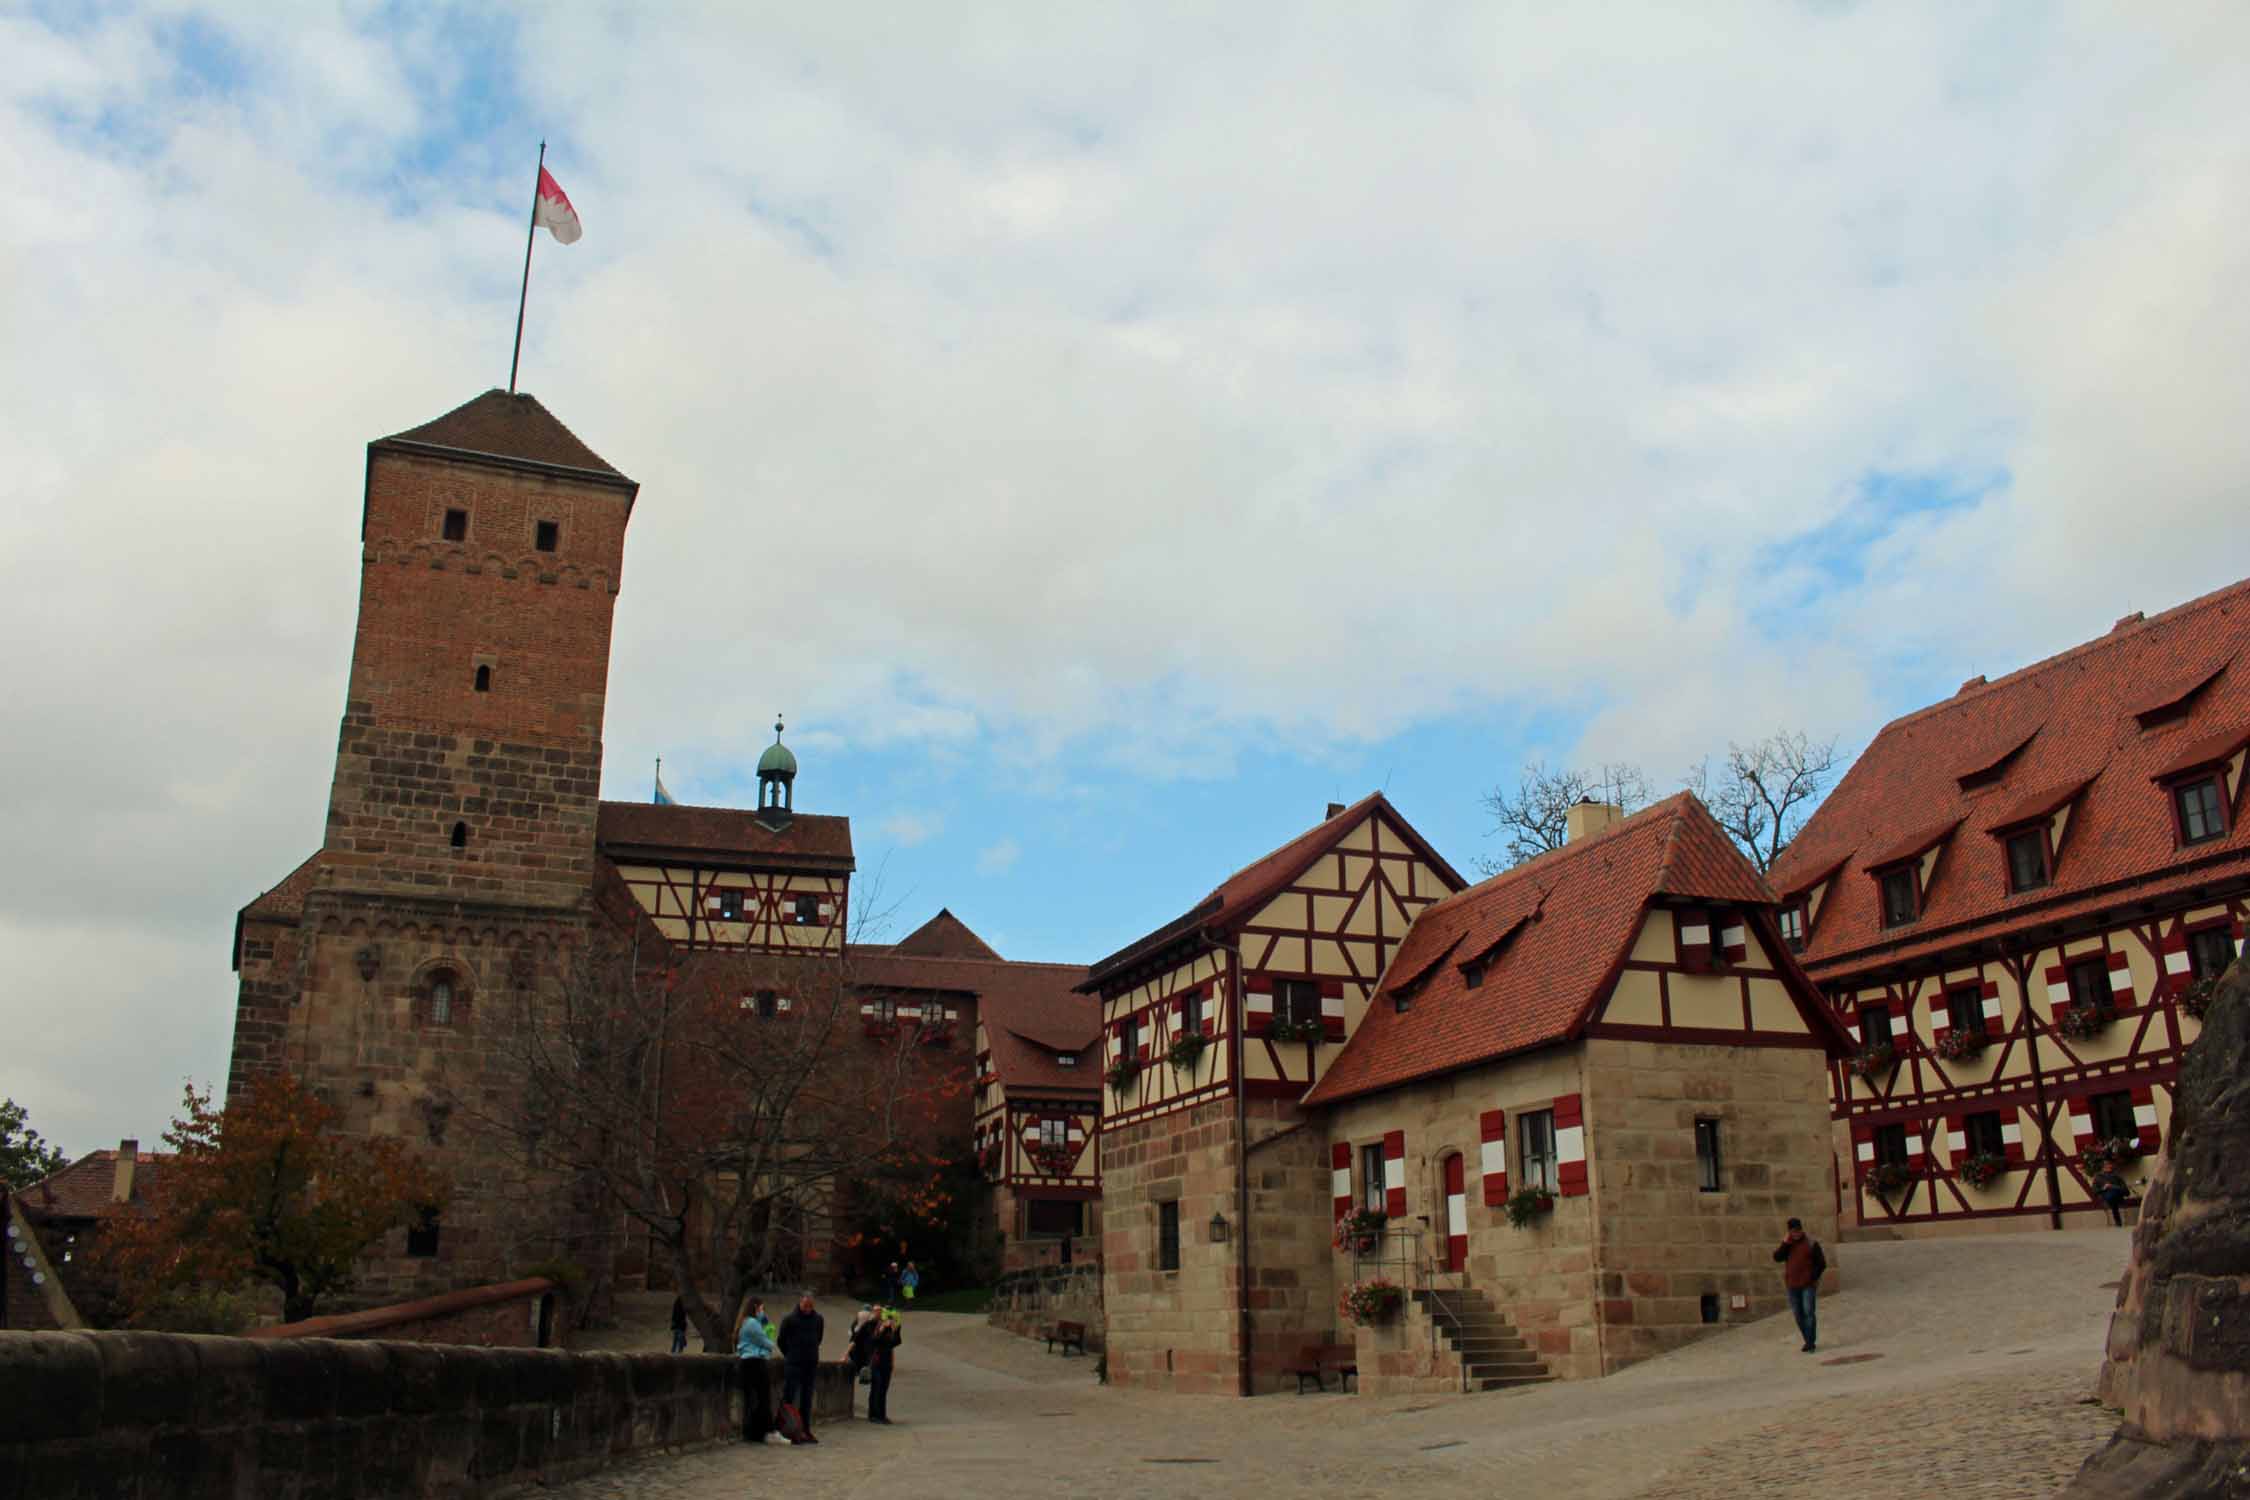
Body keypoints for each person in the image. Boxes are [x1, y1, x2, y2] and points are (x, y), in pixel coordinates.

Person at [1772, 1217, 1829, 1353]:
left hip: (1807, 1285)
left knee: (1809, 1312)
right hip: (1792, 1285)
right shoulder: (1788, 1245)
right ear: (1789, 1232)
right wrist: (1785, 1243)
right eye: (1793, 1231)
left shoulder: (1811, 1243)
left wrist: (1811, 1277)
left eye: (1798, 1230)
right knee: (1798, 1314)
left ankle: (1810, 1342)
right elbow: (1777, 1257)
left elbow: (1821, 1263)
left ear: (1801, 1229)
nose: (1796, 1233)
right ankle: (1808, 1339)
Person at [776, 1290, 826, 1442]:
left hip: (810, 1364)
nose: (807, 1308)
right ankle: (784, 1429)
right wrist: (791, 1354)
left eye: (810, 1306)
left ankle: (805, 1430)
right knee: (789, 1396)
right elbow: (781, 1341)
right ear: (800, 1303)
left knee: (807, 1399)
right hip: (794, 1363)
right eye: (805, 1305)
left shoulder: (818, 1319)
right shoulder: (789, 1319)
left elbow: (818, 1338)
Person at [735, 1296, 780, 1444]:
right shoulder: (752, 1323)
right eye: (761, 1308)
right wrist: (767, 1328)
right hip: (755, 1363)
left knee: (752, 1399)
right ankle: (767, 1431)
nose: (763, 1311)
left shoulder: (745, 1322)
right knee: (762, 1399)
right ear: (755, 1307)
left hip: (747, 1363)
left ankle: (752, 1433)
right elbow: (766, 1342)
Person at [866, 1306, 902, 1425]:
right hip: (875, 1361)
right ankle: (872, 1415)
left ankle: (882, 1415)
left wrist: (895, 1329)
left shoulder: (891, 1328)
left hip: (886, 1362)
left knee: (883, 1389)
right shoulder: (872, 1324)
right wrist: (881, 1328)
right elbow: (872, 1340)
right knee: (876, 1386)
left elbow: (896, 1342)